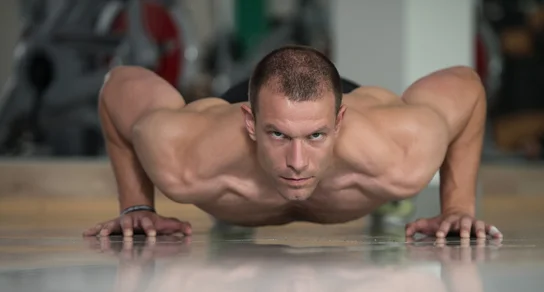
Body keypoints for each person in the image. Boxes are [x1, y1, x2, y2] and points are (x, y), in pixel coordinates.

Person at [83, 45, 503, 240]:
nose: (297, 162)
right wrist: (137, 207)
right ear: (250, 123)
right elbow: (118, 85)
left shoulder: (401, 153)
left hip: (352, 121)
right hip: (239, 126)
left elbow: (467, 87)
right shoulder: (184, 156)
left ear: (340, 122)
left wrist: (458, 208)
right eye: (279, 136)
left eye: (315, 137)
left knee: (394, 183)